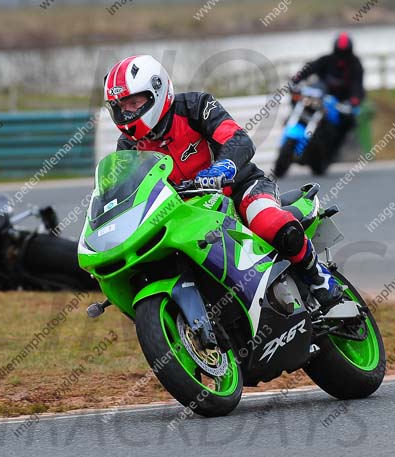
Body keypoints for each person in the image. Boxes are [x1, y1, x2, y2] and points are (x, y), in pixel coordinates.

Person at [103, 55, 343, 312]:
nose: (126, 112)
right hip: (186, 214)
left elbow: (238, 139)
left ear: (157, 93)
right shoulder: (127, 146)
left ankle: (318, 278)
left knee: (268, 222)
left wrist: (224, 165)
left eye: (133, 103)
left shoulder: (195, 106)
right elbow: (122, 193)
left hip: (240, 187)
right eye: (120, 106)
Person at [289, 32, 364, 156]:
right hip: (321, 96)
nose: (342, 56)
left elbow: (357, 85)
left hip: (341, 102)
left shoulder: (355, 64)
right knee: (298, 100)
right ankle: (293, 127)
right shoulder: (327, 60)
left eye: (344, 53)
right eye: (340, 52)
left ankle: (334, 149)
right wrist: (295, 80)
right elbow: (309, 68)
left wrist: (354, 99)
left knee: (349, 121)